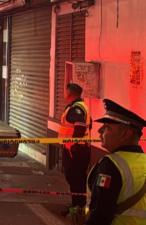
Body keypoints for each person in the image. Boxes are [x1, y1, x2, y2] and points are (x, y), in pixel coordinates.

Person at [86, 99, 146, 224]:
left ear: (126, 134)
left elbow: (100, 215)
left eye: (107, 127)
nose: (99, 130)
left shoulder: (111, 165)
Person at [58, 83, 92, 214]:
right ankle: (78, 206)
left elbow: (80, 127)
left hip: (75, 151)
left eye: (65, 92)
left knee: (75, 179)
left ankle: (77, 209)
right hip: (80, 149)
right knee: (77, 179)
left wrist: (73, 145)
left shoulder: (75, 109)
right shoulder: (82, 106)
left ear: (68, 93)